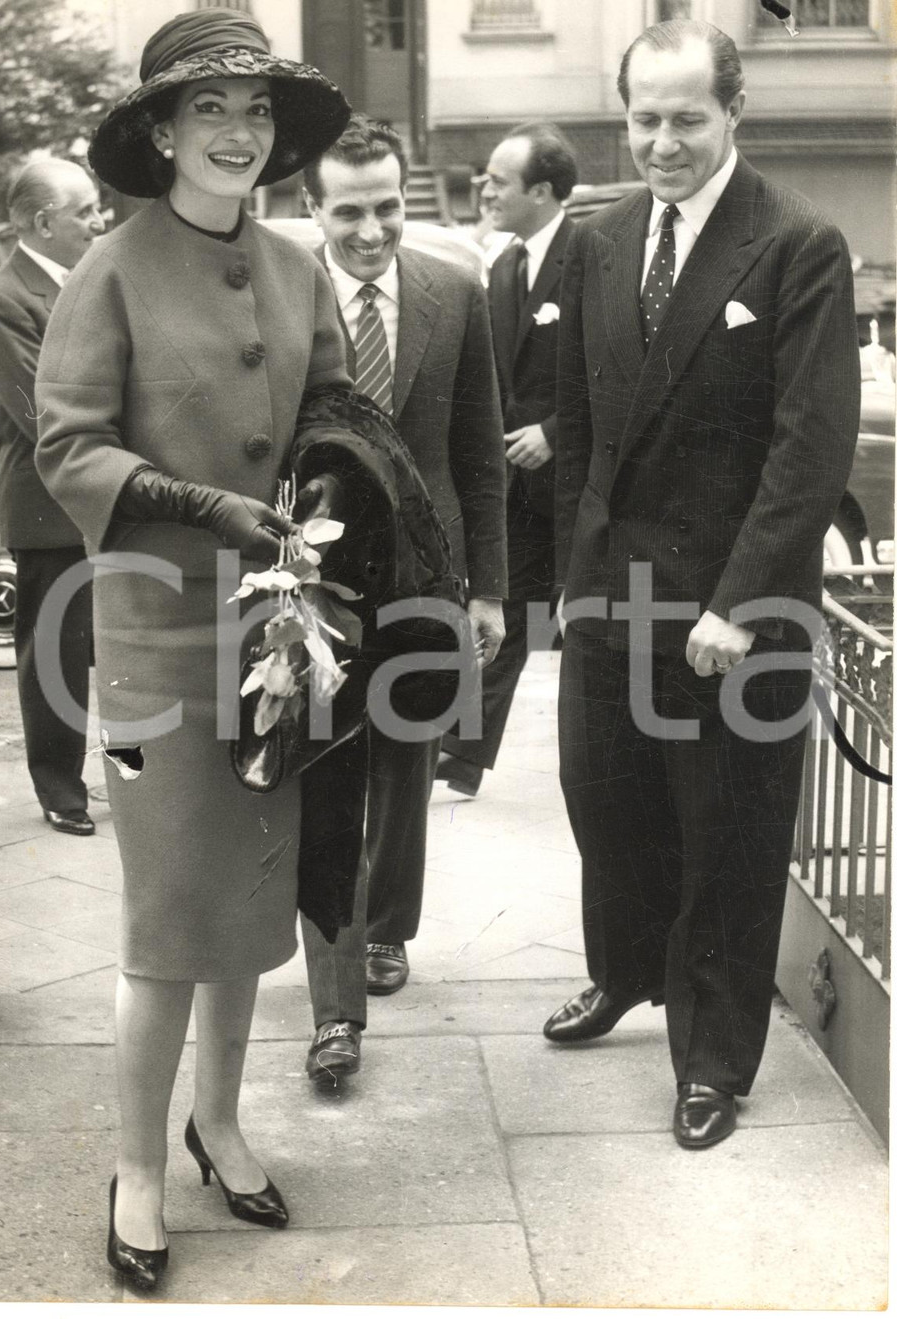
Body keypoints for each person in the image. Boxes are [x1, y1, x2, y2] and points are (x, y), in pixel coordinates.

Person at [33, 9, 353, 1290]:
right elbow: (65, 445)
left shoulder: (297, 264)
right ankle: (138, 1172)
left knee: (249, 916)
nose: (237, 131)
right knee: (169, 927)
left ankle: (219, 1126)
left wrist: (346, 503)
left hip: (282, 641)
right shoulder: (107, 270)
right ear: (160, 131)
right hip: (161, 651)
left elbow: (335, 422)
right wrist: (191, 501)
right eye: (209, 109)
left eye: (256, 111)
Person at [546, 19, 859, 1149]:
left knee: (726, 838)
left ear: (734, 113)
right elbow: (579, 421)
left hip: (740, 607)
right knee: (606, 802)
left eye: (687, 118)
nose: (663, 143)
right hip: (611, 596)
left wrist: (738, 604)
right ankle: (628, 970)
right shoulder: (598, 237)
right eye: (645, 119)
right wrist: (572, 577)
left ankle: (714, 1059)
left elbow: (807, 453)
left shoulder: (797, 242)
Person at [298, 116, 508, 1079]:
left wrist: (489, 591)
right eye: (349, 211)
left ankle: (388, 928)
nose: (372, 230)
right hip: (322, 578)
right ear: (313, 209)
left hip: (430, 576)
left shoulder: (455, 293)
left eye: (387, 206)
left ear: (407, 198)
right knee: (328, 774)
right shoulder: (284, 297)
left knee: (406, 768)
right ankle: (333, 1006)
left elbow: (479, 457)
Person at [436, 122, 577, 798]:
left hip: (583, 487)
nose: (484, 190)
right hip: (518, 490)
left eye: (499, 180)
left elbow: (621, 369)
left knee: (601, 628)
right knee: (509, 618)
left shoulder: (592, 255)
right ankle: (460, 756)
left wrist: (555, 431)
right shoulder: (503, 264)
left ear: (543, 191)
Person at [0, 158, 104, 835]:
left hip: (103, 494)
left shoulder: (87, 278)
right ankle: (60, 790)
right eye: (85, 210)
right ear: (44, 222)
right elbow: (38, 410)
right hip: (51, 508)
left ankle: (117, 774)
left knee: (116, 647)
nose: (100, 219)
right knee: (53, 656)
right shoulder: (4, 298)